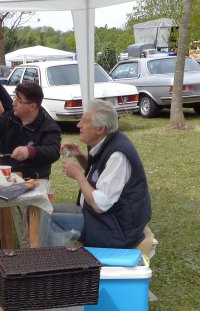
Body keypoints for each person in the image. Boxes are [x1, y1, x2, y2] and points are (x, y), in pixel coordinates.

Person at [51, 100, 151, 248]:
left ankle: (48, 264)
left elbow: (100, 204)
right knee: (44, 209)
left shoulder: (117, 154)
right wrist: (79, 155)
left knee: (47, 219)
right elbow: (99, 175)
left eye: (84, 122)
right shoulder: (108, 142)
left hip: (115, 229)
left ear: (100, 129)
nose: (79, 125)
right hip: (102, 219)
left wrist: (79, 176)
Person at [0, 82, 61, 183]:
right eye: (14, 98)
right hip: (6, 176)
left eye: (18, 100)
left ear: (32, 106)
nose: (13, 103)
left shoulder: (48, 126)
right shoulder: (9, 117)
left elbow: (53, 151)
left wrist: (30, 151)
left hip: (34, 179)